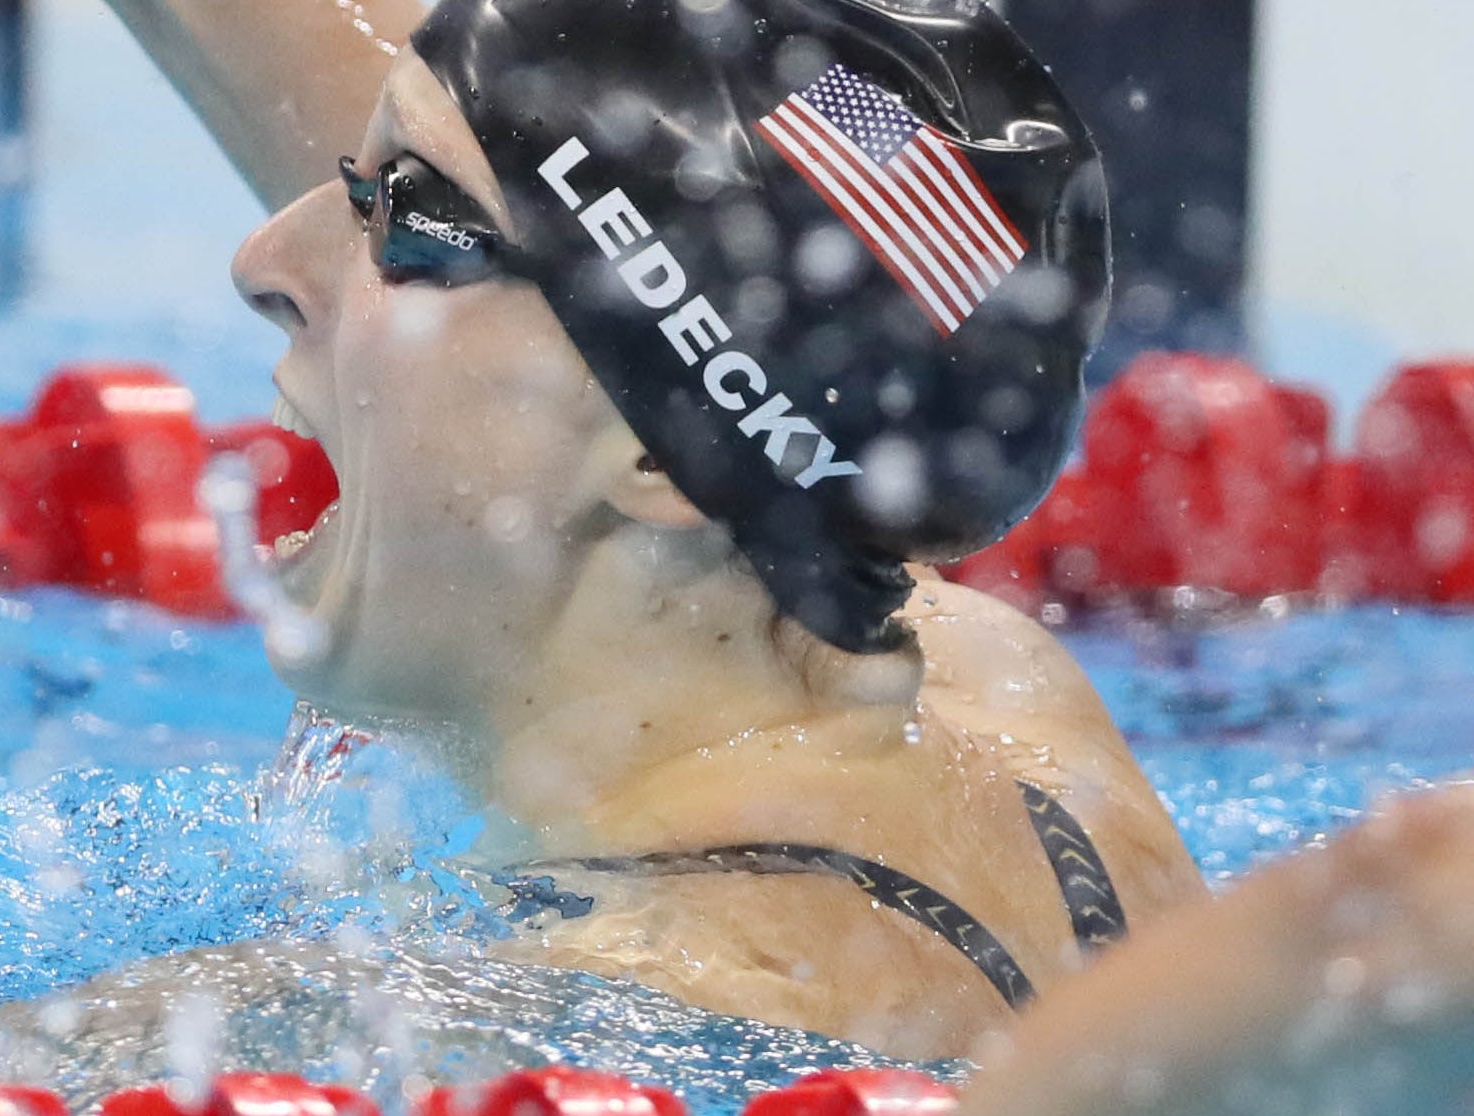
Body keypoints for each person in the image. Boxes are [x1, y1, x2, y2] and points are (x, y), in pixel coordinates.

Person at [100, 0, 1205, 1061]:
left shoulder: (615, 1014)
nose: (261, 265)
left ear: (659, 455)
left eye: (410, 216)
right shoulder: (989, 688)